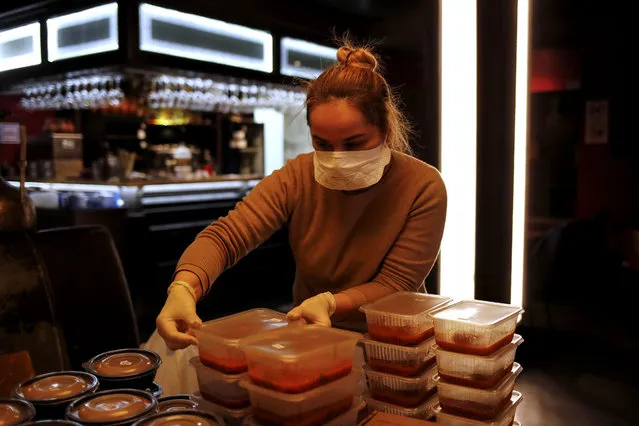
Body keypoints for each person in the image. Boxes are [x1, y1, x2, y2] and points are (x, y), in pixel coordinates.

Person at [156, 43, 447, 351]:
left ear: (385, 130)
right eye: (322, 143)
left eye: (353, 143)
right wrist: (184, 287)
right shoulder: (298, 176)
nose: (336, 158)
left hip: (394, 341)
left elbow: (395, 284)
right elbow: (228, 235)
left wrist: (331, 303)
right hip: (313, 338)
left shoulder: (423, 186)